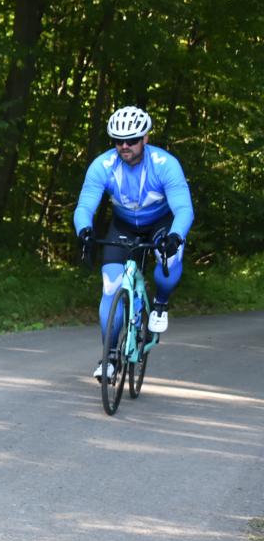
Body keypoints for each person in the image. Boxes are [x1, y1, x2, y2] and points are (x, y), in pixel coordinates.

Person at [73, 106, 193, 380]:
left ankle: (160, 302)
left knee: (170, 259)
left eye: (132, 140)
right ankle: (110, 356)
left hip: (161, 223)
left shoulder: (165, 164)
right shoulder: (102, 166)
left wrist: (175, 236)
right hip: (124, 226)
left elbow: (184, 208)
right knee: (110, 286)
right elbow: (85, 206)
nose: (124, 146)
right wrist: (84, 231)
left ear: (145, 138)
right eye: (118, 141)